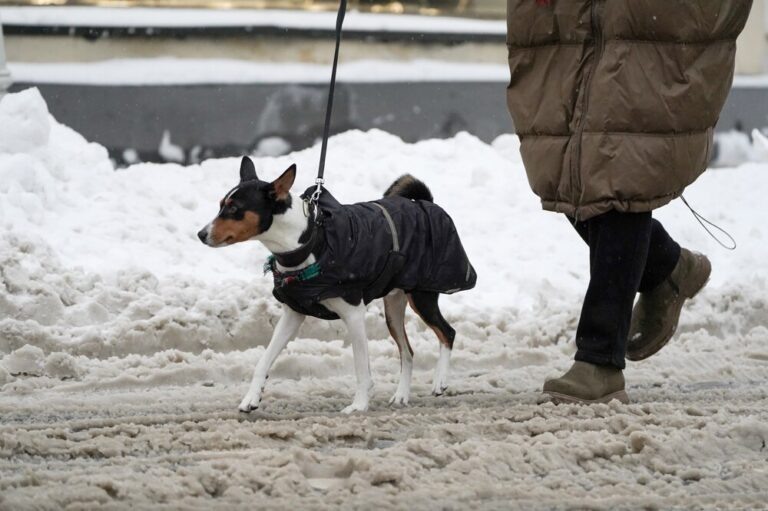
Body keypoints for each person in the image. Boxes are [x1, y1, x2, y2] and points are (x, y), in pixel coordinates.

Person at [505, 0, 753, 403]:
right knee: (566, 170)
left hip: (643, 26)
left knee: (618, 172)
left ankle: (599, 359)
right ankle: (666, 266)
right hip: (567, 23)